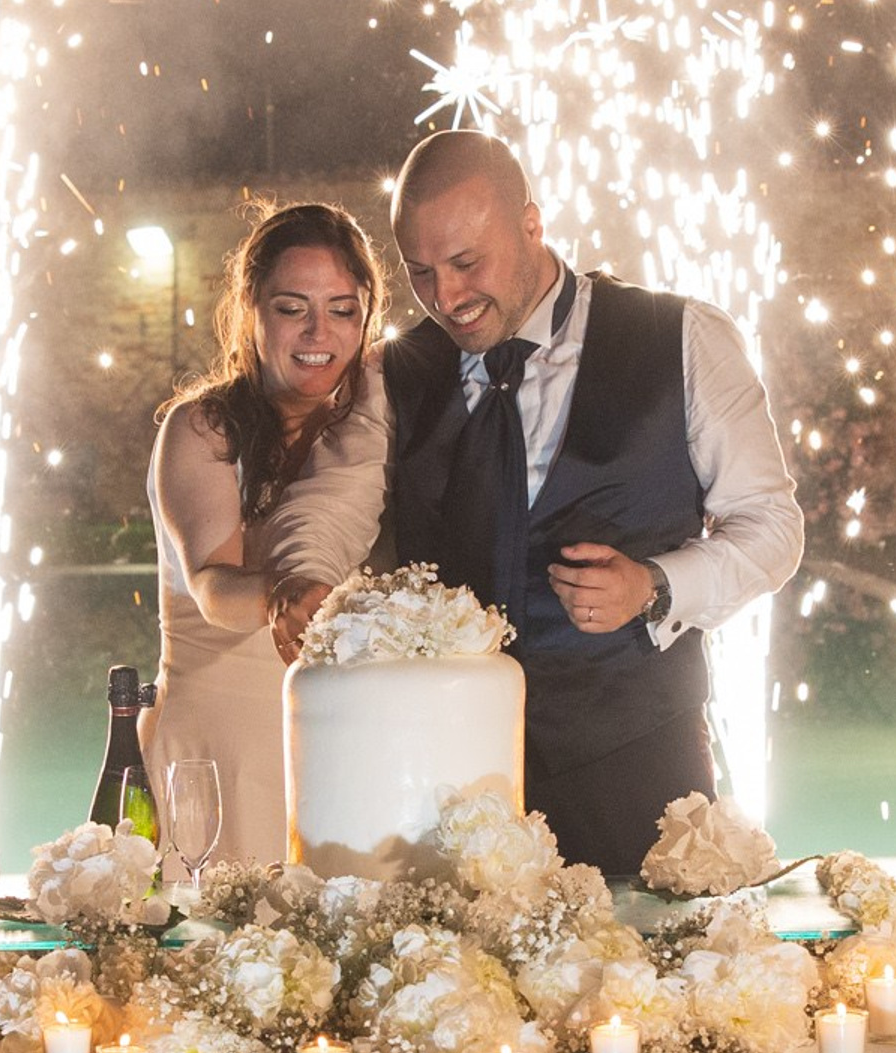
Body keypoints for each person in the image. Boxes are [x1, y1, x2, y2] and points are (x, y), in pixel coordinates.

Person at [273, 128, 802, 876]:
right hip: (442, 778)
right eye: (421, 272)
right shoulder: (396, 372)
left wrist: (654, 586)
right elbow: (333, 499)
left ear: (532, 224)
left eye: (466, 263)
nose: (446, 298)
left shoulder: (681, 337)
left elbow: (773, 528)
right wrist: (304, 575)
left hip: (631, 763)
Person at [140, 200, 390, 863]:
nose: (319, 331)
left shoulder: (377, 431)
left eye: (342, 309)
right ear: (250, 307)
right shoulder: (203, 428)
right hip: (224, 755)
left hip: (349, 745)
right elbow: (212, 584)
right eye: (292, 308)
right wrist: (280, 595)